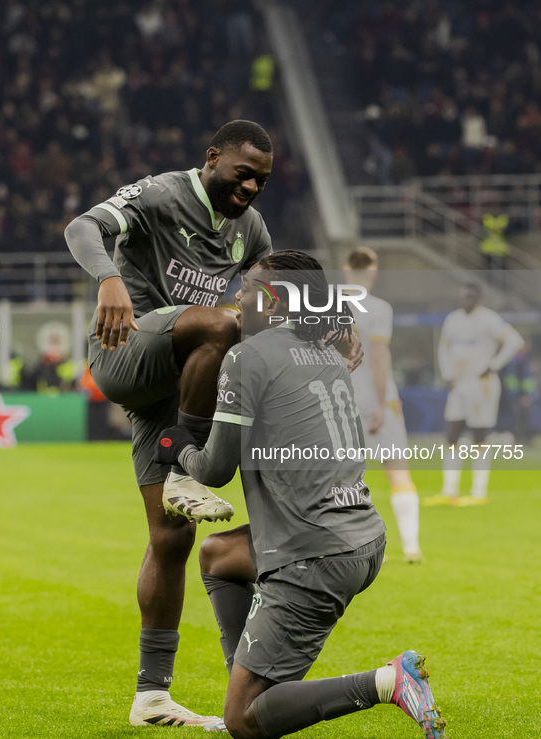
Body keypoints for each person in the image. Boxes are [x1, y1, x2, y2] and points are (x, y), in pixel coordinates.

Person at [65, 121, 362, 727]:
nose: (251, 187)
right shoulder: (161, 195)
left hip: (177, 388)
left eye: (262, 180)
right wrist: (110, 280)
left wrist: (331, 317)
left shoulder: (249, 228)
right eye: (241, 173)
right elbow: (81, 227)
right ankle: (185, 471)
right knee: (223, 326)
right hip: (126, 348)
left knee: (171, 539)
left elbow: (280, 279)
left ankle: (151, 695)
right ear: (212, 159)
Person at [156, 251, 447, 739]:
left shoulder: (247, 356)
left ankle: (386, 681)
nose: (237, 296)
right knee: (218, 555)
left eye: (247, 287)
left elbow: (215, 469)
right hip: (360, 535)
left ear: (274, 300)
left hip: (314, 554)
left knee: (243, 722)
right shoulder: (326, 351)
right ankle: (248, 686)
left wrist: (175, 444)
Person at [344, 247, 423, 563]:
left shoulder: (324, 304)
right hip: (378, 400)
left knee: (345, 478)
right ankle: (411, 547)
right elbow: (377, 357)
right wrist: (379, 404)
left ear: (346, 270)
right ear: (374, 272)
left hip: (340, 400)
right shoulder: (379, 308)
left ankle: (358, 547)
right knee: (398, 472)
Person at [427, 283, 524, 506]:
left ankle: (479, 492)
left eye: (470, 296)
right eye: (463, 297)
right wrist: (448, 374)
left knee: (480, 435)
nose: (466, 300)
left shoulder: (489, 319)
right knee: (452, 434)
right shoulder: (453, 319)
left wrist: (494, 365)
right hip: (458, 385)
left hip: (482, 385)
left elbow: (514, 341)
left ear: (477, 298)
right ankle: (449, 490)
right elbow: (444, 348)